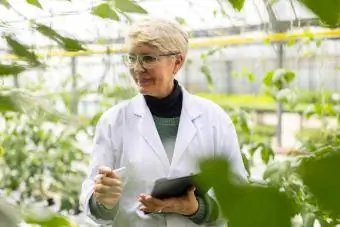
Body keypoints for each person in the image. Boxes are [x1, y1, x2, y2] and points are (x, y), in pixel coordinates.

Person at [80, 18, 247, 227]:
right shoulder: (114, 121)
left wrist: (197, 209)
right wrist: (103, 201)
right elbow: (92, 196)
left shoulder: (214, 120)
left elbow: (237, 193)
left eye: (148, 58)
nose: (137, 68)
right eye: (132, 58)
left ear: (177, 62)